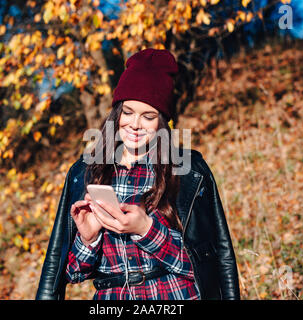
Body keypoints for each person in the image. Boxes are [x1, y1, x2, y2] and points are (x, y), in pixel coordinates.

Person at [36, 48, 240, 300]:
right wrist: (88, 239)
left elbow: (209, 264)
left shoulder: (188, 171)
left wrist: (146, 229)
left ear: (163, 121)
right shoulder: (85, 172)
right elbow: (71, 273)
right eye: (128, 112)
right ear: (116, 112)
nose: (134, 124)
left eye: (148, 116)